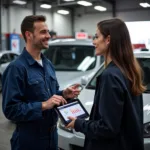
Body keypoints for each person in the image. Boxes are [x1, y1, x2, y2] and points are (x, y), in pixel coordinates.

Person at [2, 15, 80, 150]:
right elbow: (10, 110)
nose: (48, 36)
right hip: (30, 141)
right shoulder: (16, 68)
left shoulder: (48, 64)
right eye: (43, 32)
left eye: (48, 31)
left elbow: (51, 96)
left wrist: (64, 94)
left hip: (52, 137)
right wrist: (43, 105)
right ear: (29, 35)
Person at [66, 18, 146, 150]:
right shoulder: (129, 71)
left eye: (97, 37)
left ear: (108, 40)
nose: (93, 42)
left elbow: (107, 128)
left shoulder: (110, 76)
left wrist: (79, 124)